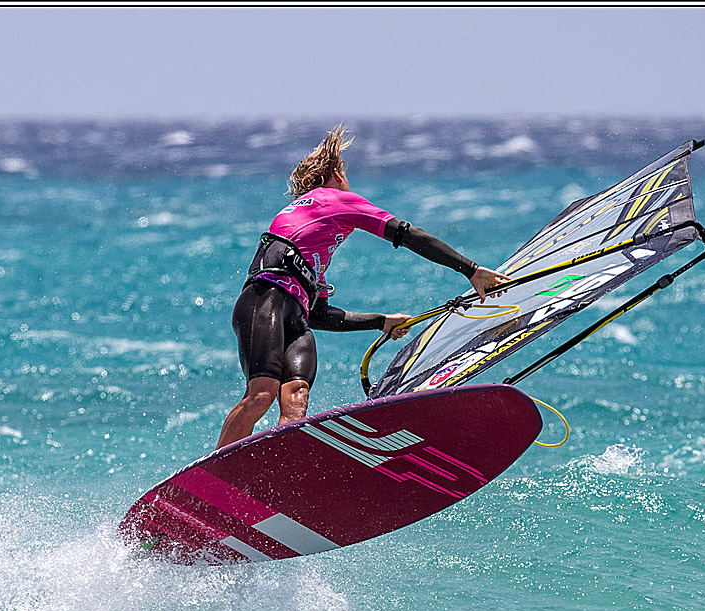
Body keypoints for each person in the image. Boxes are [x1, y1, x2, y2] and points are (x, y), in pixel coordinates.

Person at [216, 124, 509, 450]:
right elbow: (406, 233)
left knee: (296, 398)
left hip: (294, 314)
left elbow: (320, 316)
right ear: (337, 176)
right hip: (265, 300)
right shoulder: (337, 198)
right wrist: (469, 270)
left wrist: (380, 322)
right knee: (261, 395)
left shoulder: (309, 231)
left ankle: (272, 466)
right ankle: (208, 477)